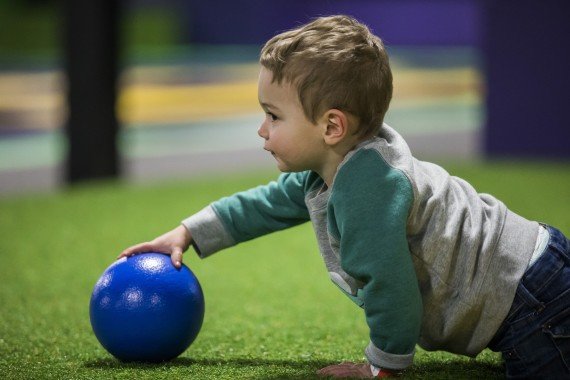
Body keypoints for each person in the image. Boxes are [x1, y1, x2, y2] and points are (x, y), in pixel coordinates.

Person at [119, 15, 570, 379]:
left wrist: (381, 368)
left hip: (533, 304)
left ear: (332, 127)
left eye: (273, 116)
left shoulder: (366, 191)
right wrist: (186, 234)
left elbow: (392, 293)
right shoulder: (336, 165)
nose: (262, 130)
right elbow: (263, 207)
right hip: (538, 273)